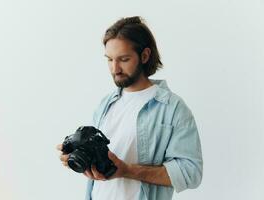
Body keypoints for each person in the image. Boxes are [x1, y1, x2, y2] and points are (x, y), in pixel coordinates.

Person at [57, 16, 203, 200]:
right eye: (109, 59)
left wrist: (128, 171)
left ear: (145, 55)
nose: (114, 68)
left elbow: (191, 172)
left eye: (123, 59)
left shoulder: (173, 109)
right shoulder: (106, 104)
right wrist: (80, 158)